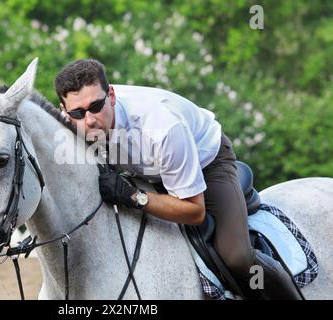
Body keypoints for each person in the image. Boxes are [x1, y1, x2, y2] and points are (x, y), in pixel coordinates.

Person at [54, 58, 303, 300]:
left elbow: (195, 212)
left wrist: (133, 197)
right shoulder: (75, 120)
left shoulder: (162, 127)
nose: (89, 120)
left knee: (236, 257)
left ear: (111, 96)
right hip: (147, 171)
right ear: (66, 111)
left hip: (207, 166)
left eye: (96, 107)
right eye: (78, 112)